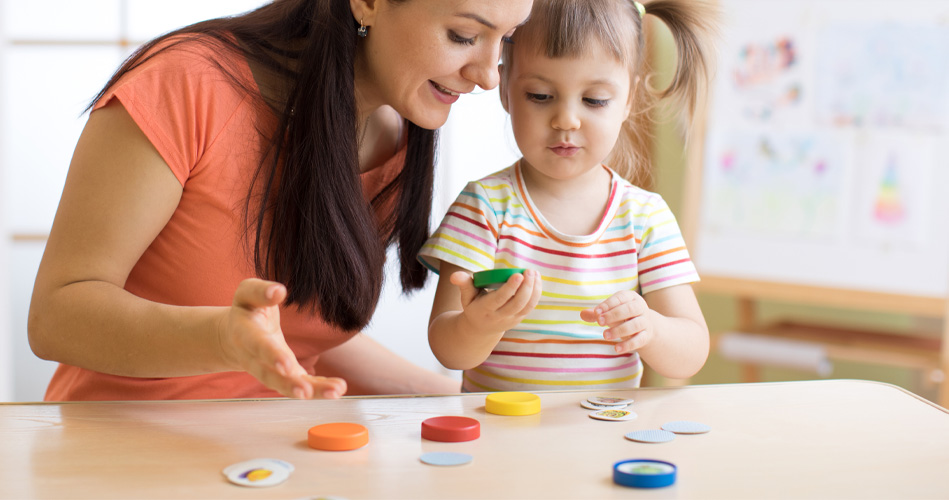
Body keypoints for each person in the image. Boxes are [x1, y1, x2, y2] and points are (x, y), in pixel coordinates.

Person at [27, 0, 533, 401]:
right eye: (464, 36)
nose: (489, 76)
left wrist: (457, 399)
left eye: (505, 41)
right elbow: (56, 317)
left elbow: (299, 336)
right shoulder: (186, 83)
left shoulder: (394, 130)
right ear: (369, 3)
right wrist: (223, 339)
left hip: (283, 450)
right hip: (118, 449)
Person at [419, 0, 715, 392]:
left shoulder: (644, 217)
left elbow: (691, 352)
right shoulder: (484, 207)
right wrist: (477, 326)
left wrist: (652, 328)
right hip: (504, 440)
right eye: (540, 95)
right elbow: (447, 349)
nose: (566, 120)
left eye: (594, 100)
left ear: (628, 100)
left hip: (605, 437)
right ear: (505, 90)